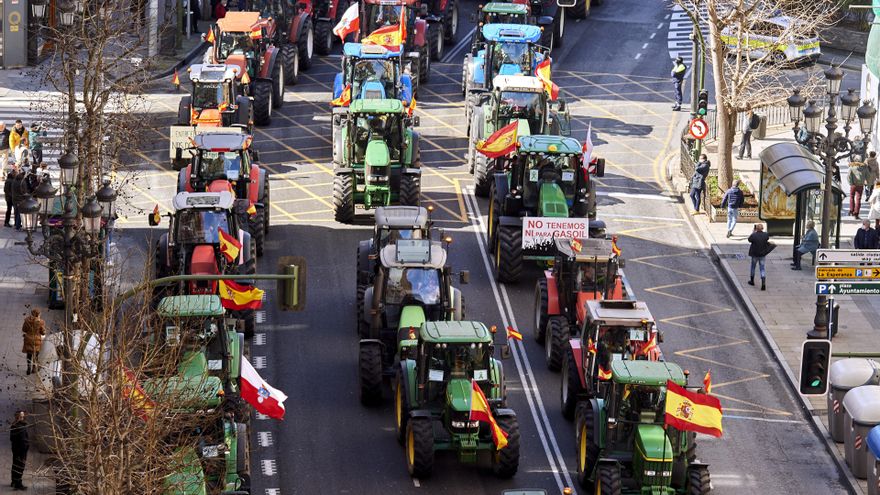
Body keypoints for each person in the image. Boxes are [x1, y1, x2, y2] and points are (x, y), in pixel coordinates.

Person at [22, 309, 46, 375]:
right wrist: (43, 332)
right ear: (38, 314)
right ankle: (34, 368)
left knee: (29, 355)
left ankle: (28, 368)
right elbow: (43, 332)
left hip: (28, 339)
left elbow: (24, 329)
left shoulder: (27, 321)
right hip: (37, 340)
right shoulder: (41, 322)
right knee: (36, 356)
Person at [747, 223, 770, 290]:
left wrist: (753, 232)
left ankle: (752, 281)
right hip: (762, 254)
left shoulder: (754, 235)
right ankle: (763, 281)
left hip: (755, 254)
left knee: (753, 267)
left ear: (756, 229)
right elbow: (767, 238)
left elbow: (749, 240)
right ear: (762, 228)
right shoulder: (765, 235)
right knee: (762, 268)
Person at [10, 411, 28, 490]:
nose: (22, 417)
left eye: (23, 416)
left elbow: (12, 438)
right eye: (21, 416)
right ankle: (18, 483)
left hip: (18, 449)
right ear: (17, 417)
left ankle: (14, 481)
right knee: (20, 466)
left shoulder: (17, 425)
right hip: (20, 449)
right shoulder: (18, 426)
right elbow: (15, 438)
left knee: (16, 464)